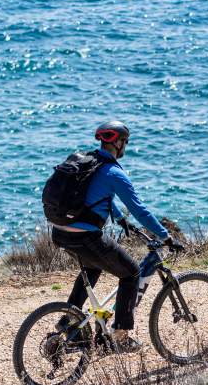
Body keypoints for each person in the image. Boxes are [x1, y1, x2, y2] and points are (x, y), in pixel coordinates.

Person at [50, 120, 183, 352]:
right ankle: (119, 338)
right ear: (118, 143)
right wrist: (165, 236)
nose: (125, 147)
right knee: (132, 273)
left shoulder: (89, 161)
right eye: (125, 142)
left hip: (61, 232)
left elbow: (97, 195)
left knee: (93, 267)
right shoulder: (114, 173)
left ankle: (67, 322)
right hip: (85, 236)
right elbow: (140, 210)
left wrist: (120, 218)